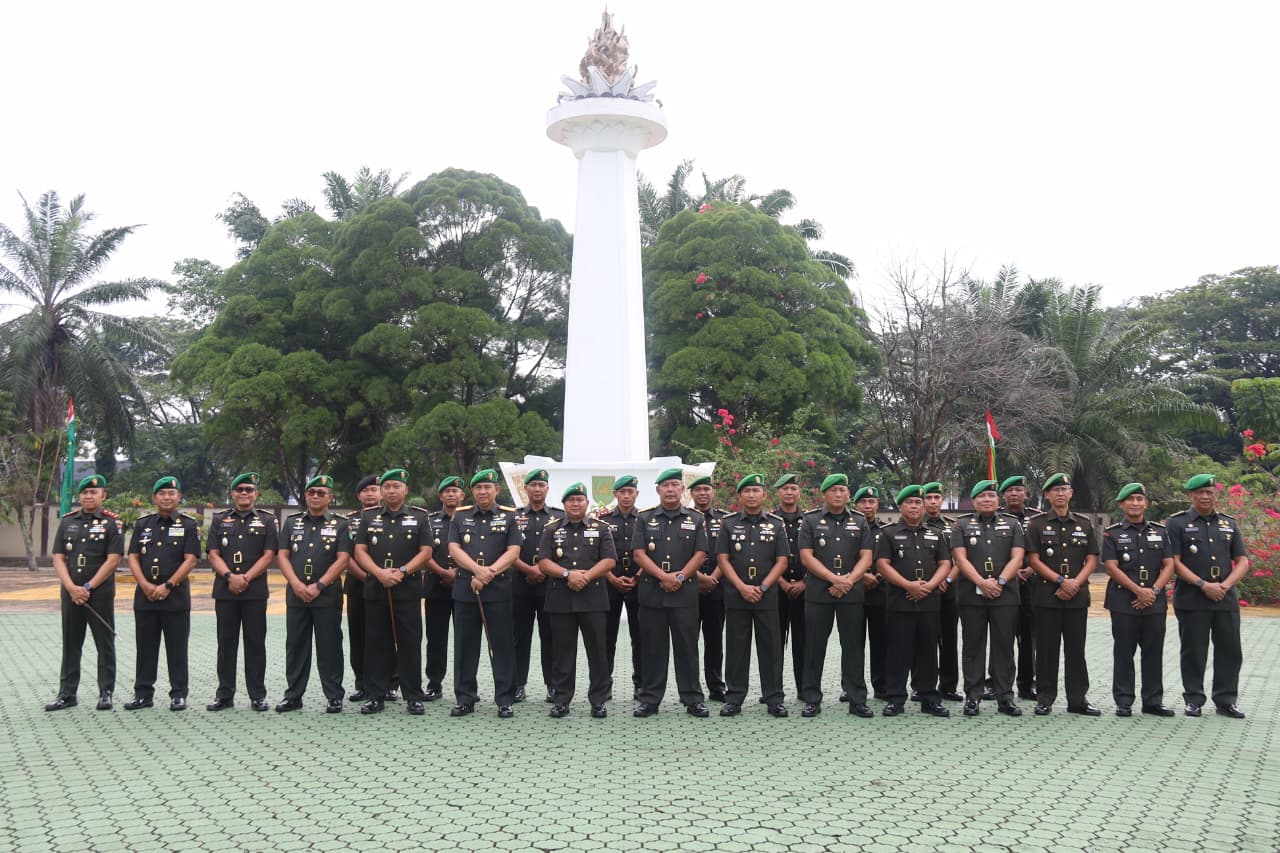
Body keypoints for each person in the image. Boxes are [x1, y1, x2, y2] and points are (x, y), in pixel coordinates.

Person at [1167, 474, 1249, 718]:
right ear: (1190, 495)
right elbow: (1174, 561)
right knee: (1194, 651)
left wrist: (1225, 585)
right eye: (1200, 493)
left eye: (1209, 492)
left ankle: (1226, 700)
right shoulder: (1177, 523)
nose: (1205, 497)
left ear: (1215, 495)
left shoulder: (1228, 523)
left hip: (1225, 597)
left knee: (1230, 650)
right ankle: (1194, 699)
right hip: (1193, 597)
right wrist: (1203, 584)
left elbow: (1242, 560)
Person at [631, 468, 711, 718]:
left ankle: (692, 698)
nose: (670, 489)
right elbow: (639, 554)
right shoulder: (644, 518)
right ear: (658, 490)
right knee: (653, 648)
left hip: (684, 593)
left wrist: (679, 577)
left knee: (687, 647)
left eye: (675, 485)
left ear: (682, 489)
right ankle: (650, 699)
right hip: (652, 593)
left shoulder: (695, 518)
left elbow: (701, 554)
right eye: (665, 486)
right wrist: (663, 577)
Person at [351, 469, 431, 715]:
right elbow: (360, 551)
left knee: (410, 642)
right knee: (376, 642)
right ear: (382, 491)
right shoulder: (369, 517)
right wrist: (379, 573)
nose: (391, 491)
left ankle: (413, 695)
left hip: (407, 589)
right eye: (386, 487)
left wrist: (403, 571)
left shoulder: (419, 517)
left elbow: (426, 551)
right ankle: (375, 695)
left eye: (396, 486)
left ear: (406, 490)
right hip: (376, 588)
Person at [537, 482, 618, 717]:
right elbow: (543, 562)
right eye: (571, 500)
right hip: (561, 599)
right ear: (564, 504)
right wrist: (567, 574)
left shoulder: (601, 528)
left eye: (579, 500)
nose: (575, 504)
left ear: (586, 503)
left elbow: (609, 560)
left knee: (598, 651)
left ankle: (598, 700)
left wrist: (586, 576)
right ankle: (562, 700)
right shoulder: (551, 529)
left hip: (593, 599)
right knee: (562, 653)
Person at [797, 473, 874, 718]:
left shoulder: (859, 521)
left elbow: (866, 557)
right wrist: (834, 579)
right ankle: (812, 698)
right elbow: (806, 556)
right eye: (833, 490)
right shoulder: (810, 520)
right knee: (814, 646)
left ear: (849, 494)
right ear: (824, 494)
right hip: (819, 592)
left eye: (842, 490)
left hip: (851, 593)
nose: (838, 494)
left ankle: (857, 699)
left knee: (853, 647)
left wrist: (847, 581)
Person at [45, 474, 123, 712]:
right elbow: (58, 557)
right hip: (71, 592)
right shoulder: (67, 521)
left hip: (98, 593)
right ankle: (67, 693)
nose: (88, 496)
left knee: (104, 643)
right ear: (79, 496)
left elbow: (113, 560)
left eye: (93, 492)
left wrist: (88, 587)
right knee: (71, 643)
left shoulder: (112, 523)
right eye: (85, 493)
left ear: (103, 495)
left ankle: (106, 692)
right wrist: (71, 587)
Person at [715, 473, 790, 718]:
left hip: (766, 597)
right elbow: (723, 560)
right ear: (739, 496)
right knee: (736, 649)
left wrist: (763, 587)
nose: (751, 495)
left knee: (771, 649)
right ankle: (734, 698)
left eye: (755, 491)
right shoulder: (728, 524)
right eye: (746, 491)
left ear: (764, 495)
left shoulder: (776, 524)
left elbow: (782, 561)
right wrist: (742, 587)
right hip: (737, 596)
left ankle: (774, 698)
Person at [448, 468, 522, 718]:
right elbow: (454, 548)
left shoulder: (509, 516)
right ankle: (465, 698)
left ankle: (505, 699)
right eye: (478, 487)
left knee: (502, 646)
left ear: (496, 490)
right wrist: (477, 571)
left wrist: (489, 573)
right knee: (465, 647)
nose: (483, 491)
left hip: (498, 590)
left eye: (487, 487)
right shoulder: (460, 516)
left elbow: (514, 551)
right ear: (472, 491)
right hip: (466, 590)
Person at [1025, 473, 1100, 716]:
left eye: (1064, 489)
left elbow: (1092, 558)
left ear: (1071, 493)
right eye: (1055, 490)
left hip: (1077, 596)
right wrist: (1060, 581)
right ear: (1047, 495)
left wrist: (1075, 583)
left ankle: (1077, 700)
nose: (1060, 494)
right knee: (1047, 650)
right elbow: (1033, 560)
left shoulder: (1084, 524)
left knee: (1076, 650)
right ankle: (1045, 698)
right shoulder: (1036, 524)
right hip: (1047, 595)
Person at [124, 476, 200, 711]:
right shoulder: (143, 524)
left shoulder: (188, 525)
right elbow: (133, 556)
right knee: (145, 648)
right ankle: (143, 694)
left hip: (175, 597)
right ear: (154, 498)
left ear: (179, 497)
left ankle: (178, 694)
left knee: (177, 648)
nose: (167, 497)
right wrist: (145, 584)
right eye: (162, 493)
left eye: (171, 493)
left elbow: (191, 559)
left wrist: (168, 585)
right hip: (145, 596)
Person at [950, 479, 1025, 717]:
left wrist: (1000, 581)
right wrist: (981, 582)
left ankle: (1005, 697)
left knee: (1004, 647)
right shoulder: (961, 525)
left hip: (1005, 594)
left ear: (997, 500)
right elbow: (960, 559)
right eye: (981, 496)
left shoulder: (1012, 524)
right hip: (971, 595)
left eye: (991, 496)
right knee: (973, 647)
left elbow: (1017, 557)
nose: (987, 500)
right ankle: (973, 697)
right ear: (974, 501)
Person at [875, 485, 951, 718]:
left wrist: (929, 586)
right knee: (898, 651)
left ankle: (929, 698)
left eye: (918, 502)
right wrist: (908, 585)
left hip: (929, 602)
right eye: (909, 502)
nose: (915, 506)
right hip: (900, 601)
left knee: (928, 651)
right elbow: (882, 565)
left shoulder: (936, 533)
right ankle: (895, 698)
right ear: (900, 507)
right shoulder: (888, 533)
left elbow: (945, 563)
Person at [275, 475, 349, 713]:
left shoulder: (341, 524)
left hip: (326, 595)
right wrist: (296, 584)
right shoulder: (291, 522)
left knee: (330, 646)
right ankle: (293, 696)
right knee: (296, 646)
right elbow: (282, 555)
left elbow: (343, 559)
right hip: (297, 594)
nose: (316, 496)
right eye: (311, 492)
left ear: (330, 497)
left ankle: (334, 695)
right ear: (306, 495)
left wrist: (319, 585)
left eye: (321, 493)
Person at [1101, 483, 1175, 717]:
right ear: (1121, 504)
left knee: (1153, 652)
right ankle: (1124, 701)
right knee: (1124, 652)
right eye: (1130, 499)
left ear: (1146, 503)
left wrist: (1153, 590)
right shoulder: (1112, 533)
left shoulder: (1160, 532)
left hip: (1154, 601)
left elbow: (1169, 565)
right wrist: (1138, 591)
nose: (1135, 503)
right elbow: (1111, 567)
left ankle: (1153, 701)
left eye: (1139, 499)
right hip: (1124, 601)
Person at [206, 472, 278, 712]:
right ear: (232, 494)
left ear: (256, 494)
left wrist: (245, 578)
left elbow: (269, 554)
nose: (244, 493)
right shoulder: (219, 519)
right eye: (240, 490)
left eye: (249, 489)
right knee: (226, 644)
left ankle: (257, 695)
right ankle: (224, 695)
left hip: (254, 591)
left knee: (255, 644)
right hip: (225, 590)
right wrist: (230, 576)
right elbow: (213, 553)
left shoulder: (267, 520)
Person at [511, 468, 563, 703]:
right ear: (526, 489)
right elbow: (506, 549)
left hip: (549, 586)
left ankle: (552, 685)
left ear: (547, 489)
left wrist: (542, 570)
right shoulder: (513, 516)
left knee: (550, 637)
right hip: (519, 584)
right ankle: (517, 685)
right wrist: (529, 570)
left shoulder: (559, 517)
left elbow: (564, 551)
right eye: (533, 485)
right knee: (519, 637)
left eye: (542, 485)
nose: (537, 489)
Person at [344, 474, 392, 703]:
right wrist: (367, 576)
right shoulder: (349, 521)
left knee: (387, 634)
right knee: (359, 635)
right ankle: (362, 683)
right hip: (358, 584)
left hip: (387, 584)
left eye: (374, 489)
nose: (371, 494)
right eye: (366, 491)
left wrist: (381, 576)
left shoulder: (391, 518)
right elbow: (345, 554)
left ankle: (391, 683)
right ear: (358, 496)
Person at [997, 475, 1042, 700]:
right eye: (1009, 490)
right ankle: (996, 682)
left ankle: (1027, 683)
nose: (1014, 494)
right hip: (1004, 583)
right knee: (1001, 636)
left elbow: (1044, 548)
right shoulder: (995, 517)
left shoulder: (1037, 518)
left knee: (1028, 636)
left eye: (1018, 490)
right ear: (1003, 495)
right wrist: (1012, 572)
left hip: (1031, 585)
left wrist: (1031, 569)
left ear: (1026, 493)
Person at [601, 475, 643, 701]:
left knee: (641, 638)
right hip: (609, 584)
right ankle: (604, 684)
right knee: (606, 638)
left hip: (640, 584)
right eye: (622, 492)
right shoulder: (603, 521)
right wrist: (611, 577)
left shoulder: (646, 519)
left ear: (637, 494)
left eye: (630, 492)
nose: (626, 496)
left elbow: (651, 553)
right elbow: (596, 554)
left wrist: (636, 577)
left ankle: (641, 684)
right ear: (615, 494)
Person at [422, 475, 464, 702]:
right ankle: (434, 684)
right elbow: (422, 552)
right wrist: (443, 572)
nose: (451, 494)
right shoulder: (429, 521)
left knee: (464, 639)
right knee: (436, 639)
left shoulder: (469, 519)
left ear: (462, 495)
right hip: (435, 587)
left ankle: (463, 686)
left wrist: (457, 573)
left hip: (464, 587)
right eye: (446, 491)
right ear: (440, 496)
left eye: (455, 491)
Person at [690, 475, 728, 702]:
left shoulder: (725, 520)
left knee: (714, 640)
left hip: (717, 588)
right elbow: (678, 554)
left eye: (706, 489)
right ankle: (692, 687)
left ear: (712, 492)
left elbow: (729, 553)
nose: (702, 493)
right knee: (689, 641)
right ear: (691, 494)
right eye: (698, 490)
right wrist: (699, 577)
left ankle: (716, 686)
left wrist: (712, 577)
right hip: (689, 589)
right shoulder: (684, 518)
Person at [922, 482, 962, 702]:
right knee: (923, 640)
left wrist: (946, 579)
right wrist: (931, 583)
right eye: (929, 498)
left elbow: (959, 559)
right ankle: (920, 685)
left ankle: (948, 686)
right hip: (923, 590)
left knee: (948, 640)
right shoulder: (916, 524)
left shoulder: (952, 527)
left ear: (942, 500)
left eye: (936, 498)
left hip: (948, 591)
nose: (933, 502)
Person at [774, 474, 807, 697]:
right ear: (778, 492)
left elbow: (820, 555)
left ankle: (804, 689)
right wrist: (782, 582)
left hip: (806, 590)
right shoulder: (770, 520)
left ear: (799, 492)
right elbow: (764, 557)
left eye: (793, 488)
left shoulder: (811, 520)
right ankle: (773, 689)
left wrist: (805, 582)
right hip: (776, 590)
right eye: (785, 488)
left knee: (804, 642)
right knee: (774, 643)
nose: (789, 492)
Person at [854, 486, 888, 701]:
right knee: (853, 644)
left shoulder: (885, 531)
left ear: (877, 505)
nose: (867, 506)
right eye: (863, 502)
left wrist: (877, 577)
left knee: (881, 643)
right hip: (853, 593)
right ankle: (852, 686)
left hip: (880, 593)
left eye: (872, 502)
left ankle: (881, 686)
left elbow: (892, 559)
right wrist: (861, 576)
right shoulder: (848, 529)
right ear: (855, 505)